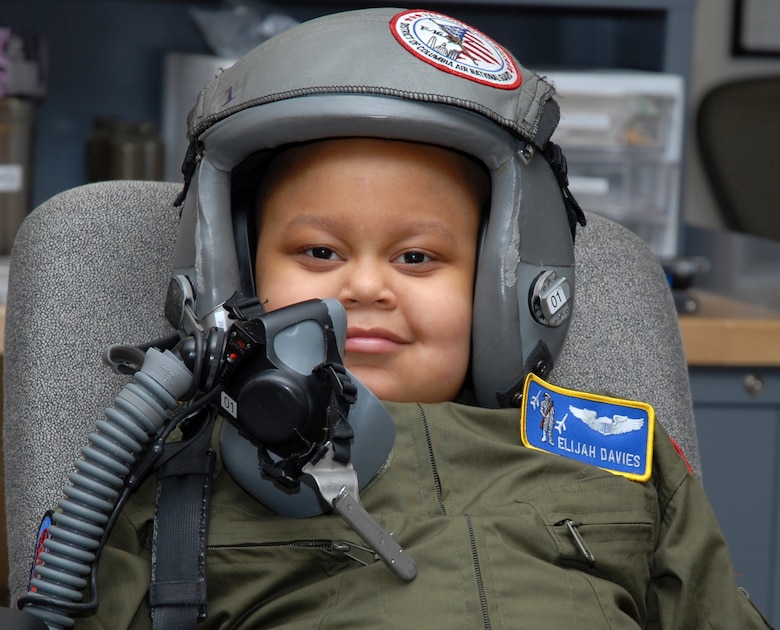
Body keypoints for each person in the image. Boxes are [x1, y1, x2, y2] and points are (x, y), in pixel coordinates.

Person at [20, 7, 771, 629]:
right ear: (235, 280)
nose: (365, 287)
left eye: (416, 259)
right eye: (318, 251)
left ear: (502, 290)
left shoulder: (618, 456)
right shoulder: (186, 477)